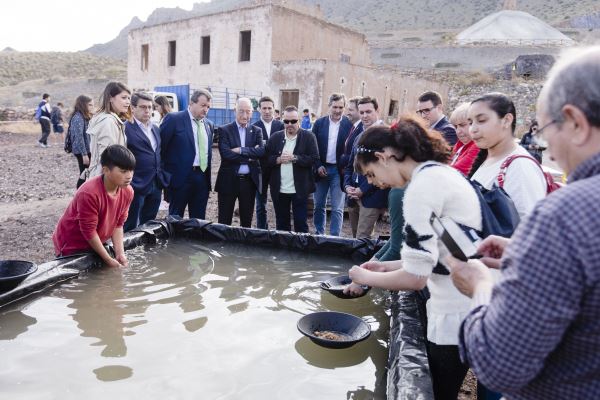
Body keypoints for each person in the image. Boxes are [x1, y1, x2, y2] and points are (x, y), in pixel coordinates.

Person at [447, 46, 600, 400]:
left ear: (575, 122)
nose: (551, 151)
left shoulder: (567, 212)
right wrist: (524, 252)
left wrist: (481, 287)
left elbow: (500, 363)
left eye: (547, 130)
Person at [346, 118, 482, 400]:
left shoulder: (420, 188)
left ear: (384, 157)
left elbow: (415, 279)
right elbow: (440, 255)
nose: (377, 184)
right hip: (468, 309)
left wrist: (365, 277)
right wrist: (386, 265)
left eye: (371, 175)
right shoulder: (439, 174)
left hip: (453, 317)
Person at [52, 145, 135, 268]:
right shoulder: (89, 193)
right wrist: (108, 259)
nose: (129, 176)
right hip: (72, 243)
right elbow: (89, 231)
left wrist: (120, 254)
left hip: (97, 238)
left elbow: (118, 224)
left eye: (131, 170)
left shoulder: (128, 191)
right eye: (123, 171)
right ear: (106, 170)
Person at [468, 93, 546, 218]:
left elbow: (529, 227)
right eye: (470, 122)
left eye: (481, 120)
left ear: (506, 120)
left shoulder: (520, 166)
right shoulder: (488, 158)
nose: (472, 129)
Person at [161, 89, 214, 219]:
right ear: (191, 103)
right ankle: (173, 240)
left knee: (198, 220)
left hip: (202, 178)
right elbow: (161, 149)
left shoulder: (209, 125)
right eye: (203, 105)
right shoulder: (174, 119)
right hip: (180, 179)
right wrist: (165, 179)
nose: (206, 109)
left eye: (208, 107)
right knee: (174, 218)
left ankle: (195, 239)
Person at [265, 106, 319, 232]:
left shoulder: (309, 137)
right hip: (280, 189)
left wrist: (295, 158)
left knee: (301, 224)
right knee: (282, 224)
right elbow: (266, 158)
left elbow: (314, 158)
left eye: (293, 121)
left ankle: (301, 251)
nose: (290, 124)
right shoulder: (275, 137)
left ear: (299, 120)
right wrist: (278, 160)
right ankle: (283, 250)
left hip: (300, 189)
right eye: (286, 121)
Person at [343, 96, 389, 238]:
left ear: (377, 111)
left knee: (363, 239)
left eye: (368, 112)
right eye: (361, 112)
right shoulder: (359, 135)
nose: (364, 116)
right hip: (353, 195)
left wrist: (362, 190)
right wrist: (347, 185)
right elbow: (350, 166)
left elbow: (385, 170)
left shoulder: (386, 135)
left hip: (371, 196)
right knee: (356, 237)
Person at [215, 98, 265, 227]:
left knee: (246, 221)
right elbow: (226, 154)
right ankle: (222, 247)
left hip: (249, 182)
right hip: (228, 181)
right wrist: (249, 157)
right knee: (224, 221)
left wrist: (240, 150)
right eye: (241, 111)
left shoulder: (257, 131)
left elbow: (261, 152)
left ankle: (244, 247)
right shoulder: (224, 130)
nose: (245, 115)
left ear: (252, 112)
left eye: (248, 112)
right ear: (234, 111)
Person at [123, 92, 169, 232]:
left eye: (150, 107)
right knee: (130, 224)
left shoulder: (155, 128)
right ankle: (126, 252)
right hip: (136, 184)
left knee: (149, 224)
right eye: (143, 107)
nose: (147, 110)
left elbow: (158, 153)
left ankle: (145, 253)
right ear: (133, 107)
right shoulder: (125, 128)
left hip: (155, 183)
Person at [312, 93, 353, 236]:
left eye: (341, 107)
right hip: (321, 169)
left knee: (337, 207)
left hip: (338, 170)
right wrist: (317, 165)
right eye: (335, 107)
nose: (337, 110)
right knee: (318, 205)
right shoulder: (319, 123)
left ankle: (335, 237)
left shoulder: (349, 125)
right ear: (329, 106)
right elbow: (313, 147)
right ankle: (319, 234)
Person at [86, 82, 132, 179]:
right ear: (110, 98)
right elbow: (108, 158)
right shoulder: (108, 121)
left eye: (129, 98)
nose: (128, 102)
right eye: (124, 98)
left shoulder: (107, 118)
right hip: (105, 179)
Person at [252, 96, 285, 229]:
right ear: (259, 109)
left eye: (269, 108)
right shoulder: (253, 127)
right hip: (260, 169)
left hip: (278, 169)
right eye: (264, 108)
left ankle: (280, 231)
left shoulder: (281, 125)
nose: (266, 111)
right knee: (260, 204)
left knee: (279, 203)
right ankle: (262, 231)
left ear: (273, 109)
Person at [68, 95, 94, 189]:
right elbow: (79, 137)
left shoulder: (83, 116)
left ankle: (83, 195)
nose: (92, 107)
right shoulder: (78, 117)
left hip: (86, 150)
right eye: (90, 105)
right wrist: (84, 155)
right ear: (83, 105)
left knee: (87, 173)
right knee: (84, 174)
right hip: (82, 151)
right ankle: (79, 195)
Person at [449, 102, 480, 176]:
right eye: (456, 127)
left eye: (462, 125)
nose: (458, 131)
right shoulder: (460, 144)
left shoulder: (477, 146)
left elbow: (457, 172)